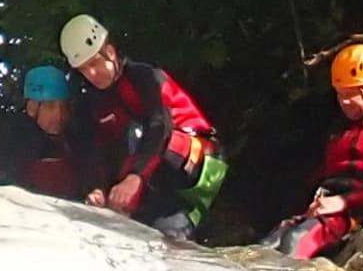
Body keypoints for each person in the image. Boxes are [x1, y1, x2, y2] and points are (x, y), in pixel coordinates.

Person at [59, 13, 217, 240]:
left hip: (195, 159)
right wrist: (96, 189)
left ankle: (160, 205)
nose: (91, 74)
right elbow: (91, 151)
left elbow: (159, 126)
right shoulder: (91, 104)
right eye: (84, 69)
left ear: (110, 52)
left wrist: (135, 177)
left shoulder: (144, 77)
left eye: (94, 63)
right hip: (156, 182)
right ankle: (167, 220)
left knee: (135, 133)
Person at [273, 41, 363, 262]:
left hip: (359, 211)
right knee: (269, 244)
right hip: (329, 205)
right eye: (340, 94)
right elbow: (320, 175)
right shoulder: (339, 131)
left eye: (353, 93)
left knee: (294, 241)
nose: (345, 102)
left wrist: (344, 201)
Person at [18, 63, 88, 198]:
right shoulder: (17, 145)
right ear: (32, 108)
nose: (59, 115)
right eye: (50, 107)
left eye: (64, 107)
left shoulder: (76, 143)